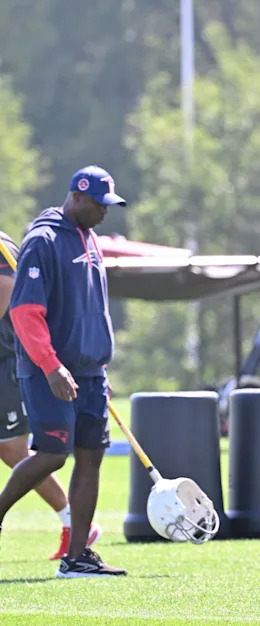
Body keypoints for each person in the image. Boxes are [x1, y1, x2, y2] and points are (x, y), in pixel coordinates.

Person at [0, 165, 126, 578]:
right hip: (48, 370)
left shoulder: (89, 237)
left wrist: (99, 365)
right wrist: (52, 366)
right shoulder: (43, 239)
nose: (105, 213)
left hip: (90, 372)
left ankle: (77, 558)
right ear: (77, 196)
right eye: (99, 205)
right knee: (53, 454)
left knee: (91, 457)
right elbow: (24, 311)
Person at [0, 230, 102, 560]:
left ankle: (73, 521)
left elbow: (6, 291)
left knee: (14, 450)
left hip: (8, 359)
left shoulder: (2, 244)